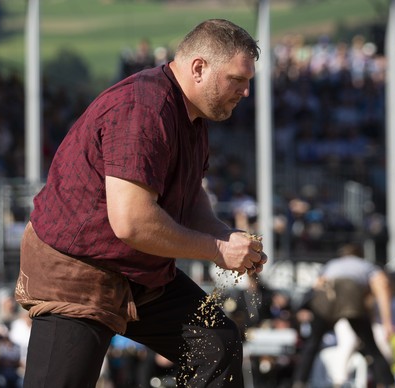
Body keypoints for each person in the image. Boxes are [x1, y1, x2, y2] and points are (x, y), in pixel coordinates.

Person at [14, 19, 266, 388]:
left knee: (216, 343)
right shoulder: (144, 108)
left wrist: (226, 237)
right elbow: (132, 221)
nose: (245, 92)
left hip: (137, 273)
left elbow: (190, 197)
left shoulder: (191, 117)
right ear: (199, 68)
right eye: (237, 79)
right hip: (76, 272)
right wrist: (216, 249)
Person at [292, 243, 395, 388]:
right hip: (351, 299)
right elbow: (382, 290)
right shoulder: (367, 266)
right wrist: (387, 322)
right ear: (360, 255)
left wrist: (305, 308)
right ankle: (387, 382)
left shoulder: (332, 264)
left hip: (326, 300)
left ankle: (299, 382)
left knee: (312, 343)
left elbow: (316, 286)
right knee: (370, 345)